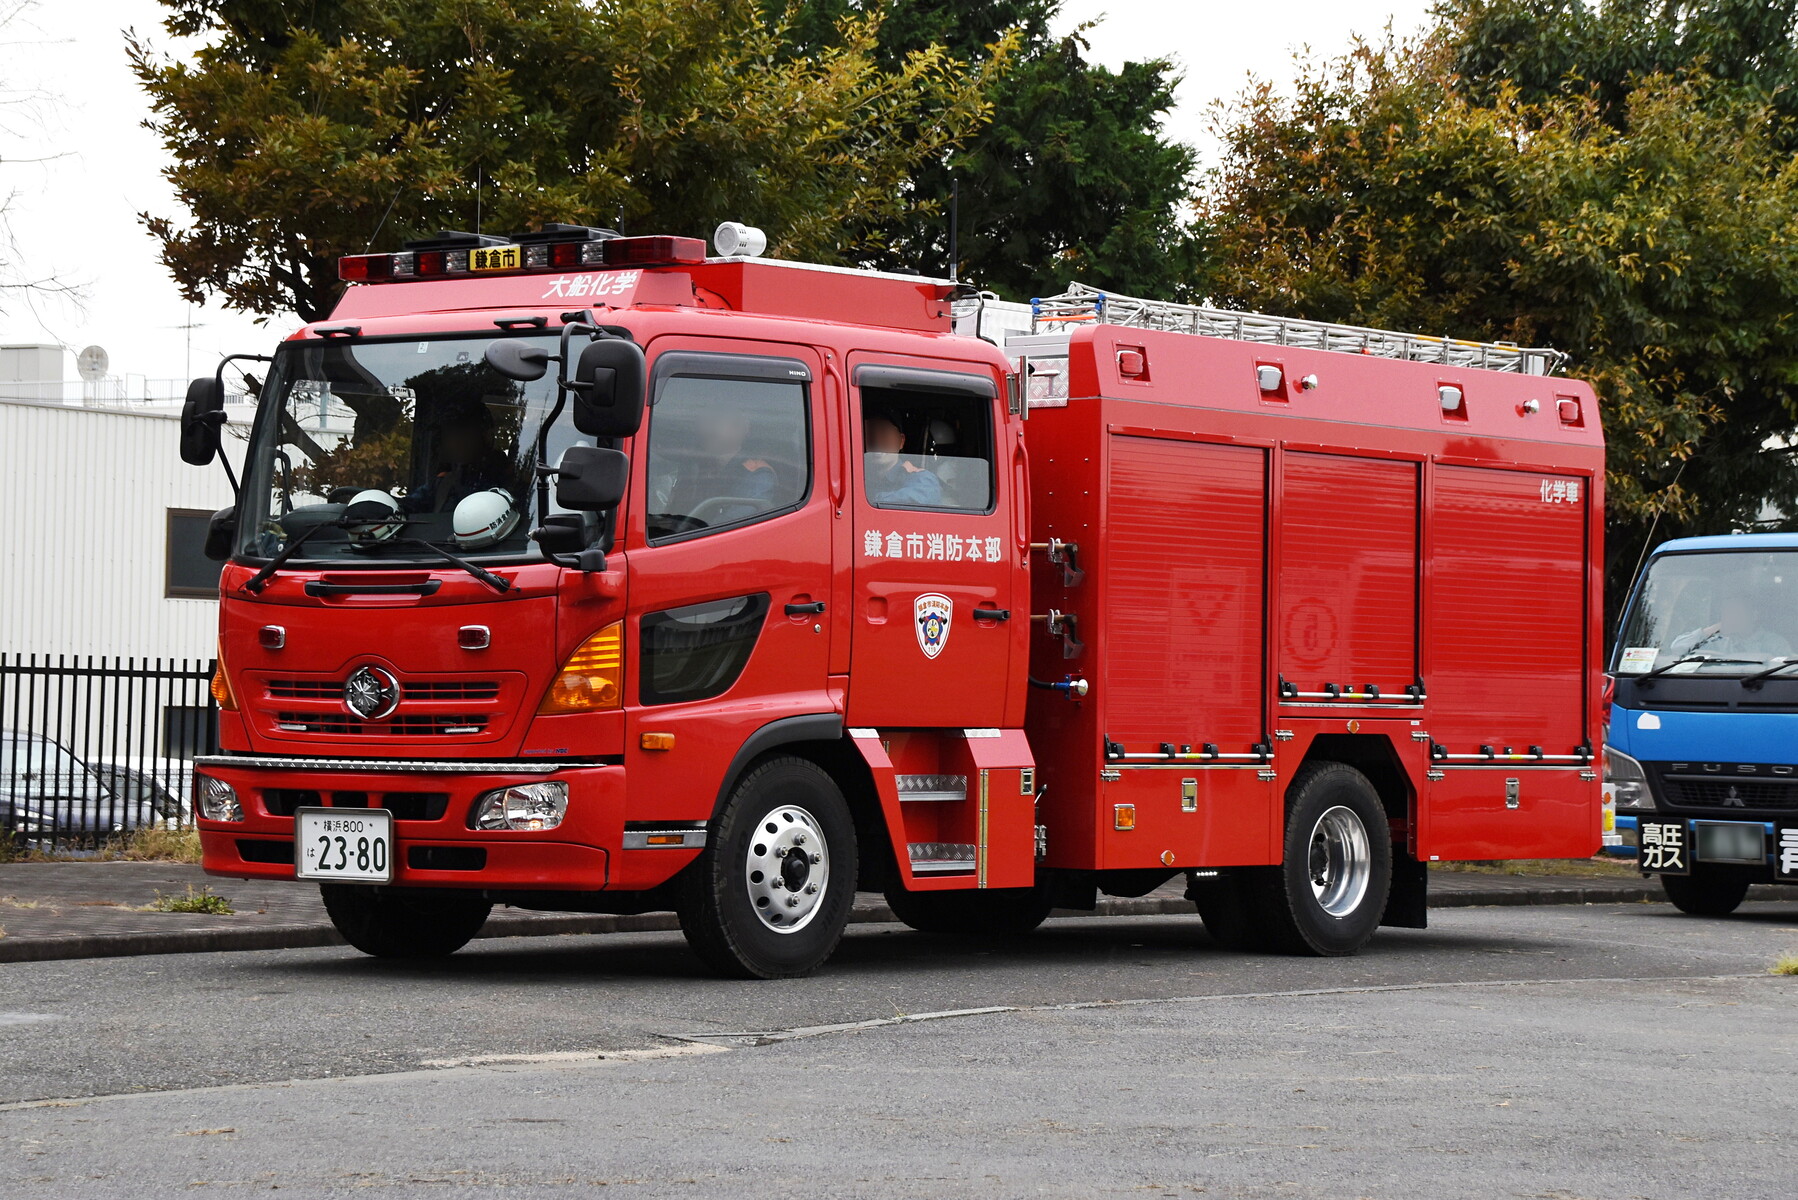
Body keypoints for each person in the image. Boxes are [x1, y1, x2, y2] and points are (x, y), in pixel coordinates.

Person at [661, 407, 780, 523]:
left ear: (742, 427)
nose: (706, 428)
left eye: (715, 420)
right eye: (703, 421)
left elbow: (735, 525)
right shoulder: (695, 468)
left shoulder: (757, 474)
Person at [403, 403, 514, 514]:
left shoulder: (508, 481)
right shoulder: (444, 483)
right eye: (448, 434)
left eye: (461, 433)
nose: (453, 442)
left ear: (486, 436)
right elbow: (409, 505)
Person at [1667, 592, 1792, 662]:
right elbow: (1677, 648)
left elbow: (1784, 671)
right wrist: (1712, 629)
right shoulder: (1718, 641)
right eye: (1726, 613)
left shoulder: (1775, 643)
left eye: (1735, 612)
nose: (1730, 617)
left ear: (1754, 615)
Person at [864, 411, 943, 507]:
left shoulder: (922, 479)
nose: (876, 440)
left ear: (901, 441)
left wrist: (864, 499)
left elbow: (915, 500)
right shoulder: (855, 478)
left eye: (884, 431)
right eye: (869, 432)